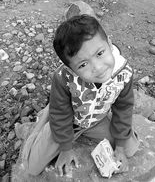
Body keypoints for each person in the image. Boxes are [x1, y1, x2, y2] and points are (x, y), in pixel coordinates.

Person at [22, 14, 139, 177]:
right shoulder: (63, 78)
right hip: (69, 121)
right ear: (71, 69)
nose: (98, 68)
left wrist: (119, 147)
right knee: (31, 168)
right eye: (83, 64)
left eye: (100, 53)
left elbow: (124, 108)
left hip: (97, 119)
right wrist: (66, 148)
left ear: (109, 44)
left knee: (130, 148)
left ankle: (53, 107)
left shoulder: (123, 73)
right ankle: (45, 117)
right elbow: (61, 116)